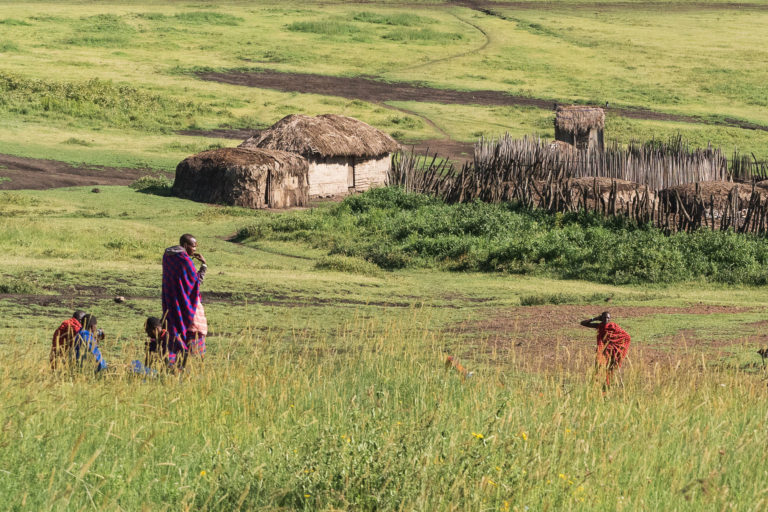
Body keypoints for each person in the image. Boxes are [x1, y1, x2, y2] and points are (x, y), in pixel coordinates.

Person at [162, 234, 208, 363]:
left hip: (171, 302)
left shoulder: (167, 256)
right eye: (193, 246)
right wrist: (203, 265)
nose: (195, 249)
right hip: (186, 303)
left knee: (171, 329)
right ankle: (191, 362)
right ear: (186, 245)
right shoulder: (185, 261)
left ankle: (172, 361)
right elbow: (195, 283)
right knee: (195, 328)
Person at [580, 311, 630, 388]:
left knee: (610, 368)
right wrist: (595, 318)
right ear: (601, 318)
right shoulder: (599, 326)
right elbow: (583, 323)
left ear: (610, 319)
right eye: (604, 317)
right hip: (602, 350)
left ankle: (607, 385)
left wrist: (617, 346)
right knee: (598, 366)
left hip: (612, 351)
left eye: (608, 318)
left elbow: (626, 336)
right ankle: (596, 384)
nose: (606, 319)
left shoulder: (614, 327)